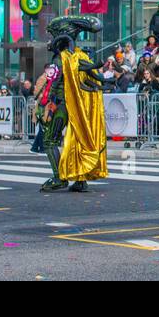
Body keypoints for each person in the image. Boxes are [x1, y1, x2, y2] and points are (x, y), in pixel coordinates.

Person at [40, 16, 109, 193]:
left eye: (52, 35)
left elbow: (51, 85)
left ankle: (59, 178)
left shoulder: (59, 59)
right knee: (77, 139)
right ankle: (80, 180)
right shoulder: (81, 56)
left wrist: (45, 104)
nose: (50, 39)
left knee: (49, 140)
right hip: (76, 106)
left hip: (60, 105)